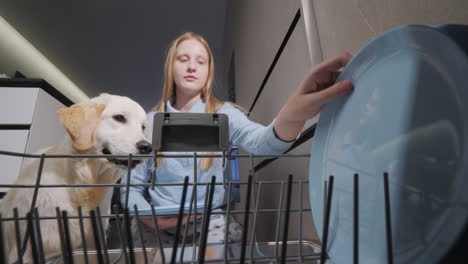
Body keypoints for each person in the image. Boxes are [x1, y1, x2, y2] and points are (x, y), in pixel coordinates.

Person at [120, 32, 353, 246]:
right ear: (171, 67)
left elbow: (262, 142)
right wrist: (148, 216)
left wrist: (293, 115)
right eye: (183, 59)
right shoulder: (146, 122)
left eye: (201, 61)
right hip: (153, 227)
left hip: (211, 223)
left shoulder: (225, 114)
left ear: (209, 71)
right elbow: (130, 188)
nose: (192, 66)